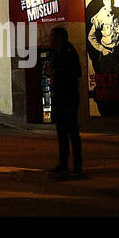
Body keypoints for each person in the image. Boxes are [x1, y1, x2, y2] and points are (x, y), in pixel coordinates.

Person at [48, 26, 82, 174]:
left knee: (72, 131)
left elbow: (77, 72)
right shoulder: (56, 53)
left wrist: (57, 71)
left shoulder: (69, 51)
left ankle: (77, 165)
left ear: (59, 38)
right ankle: (63, 164)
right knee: (61, 132)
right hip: (59, 96)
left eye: (52, 36)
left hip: (68, 96)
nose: (50, 39)